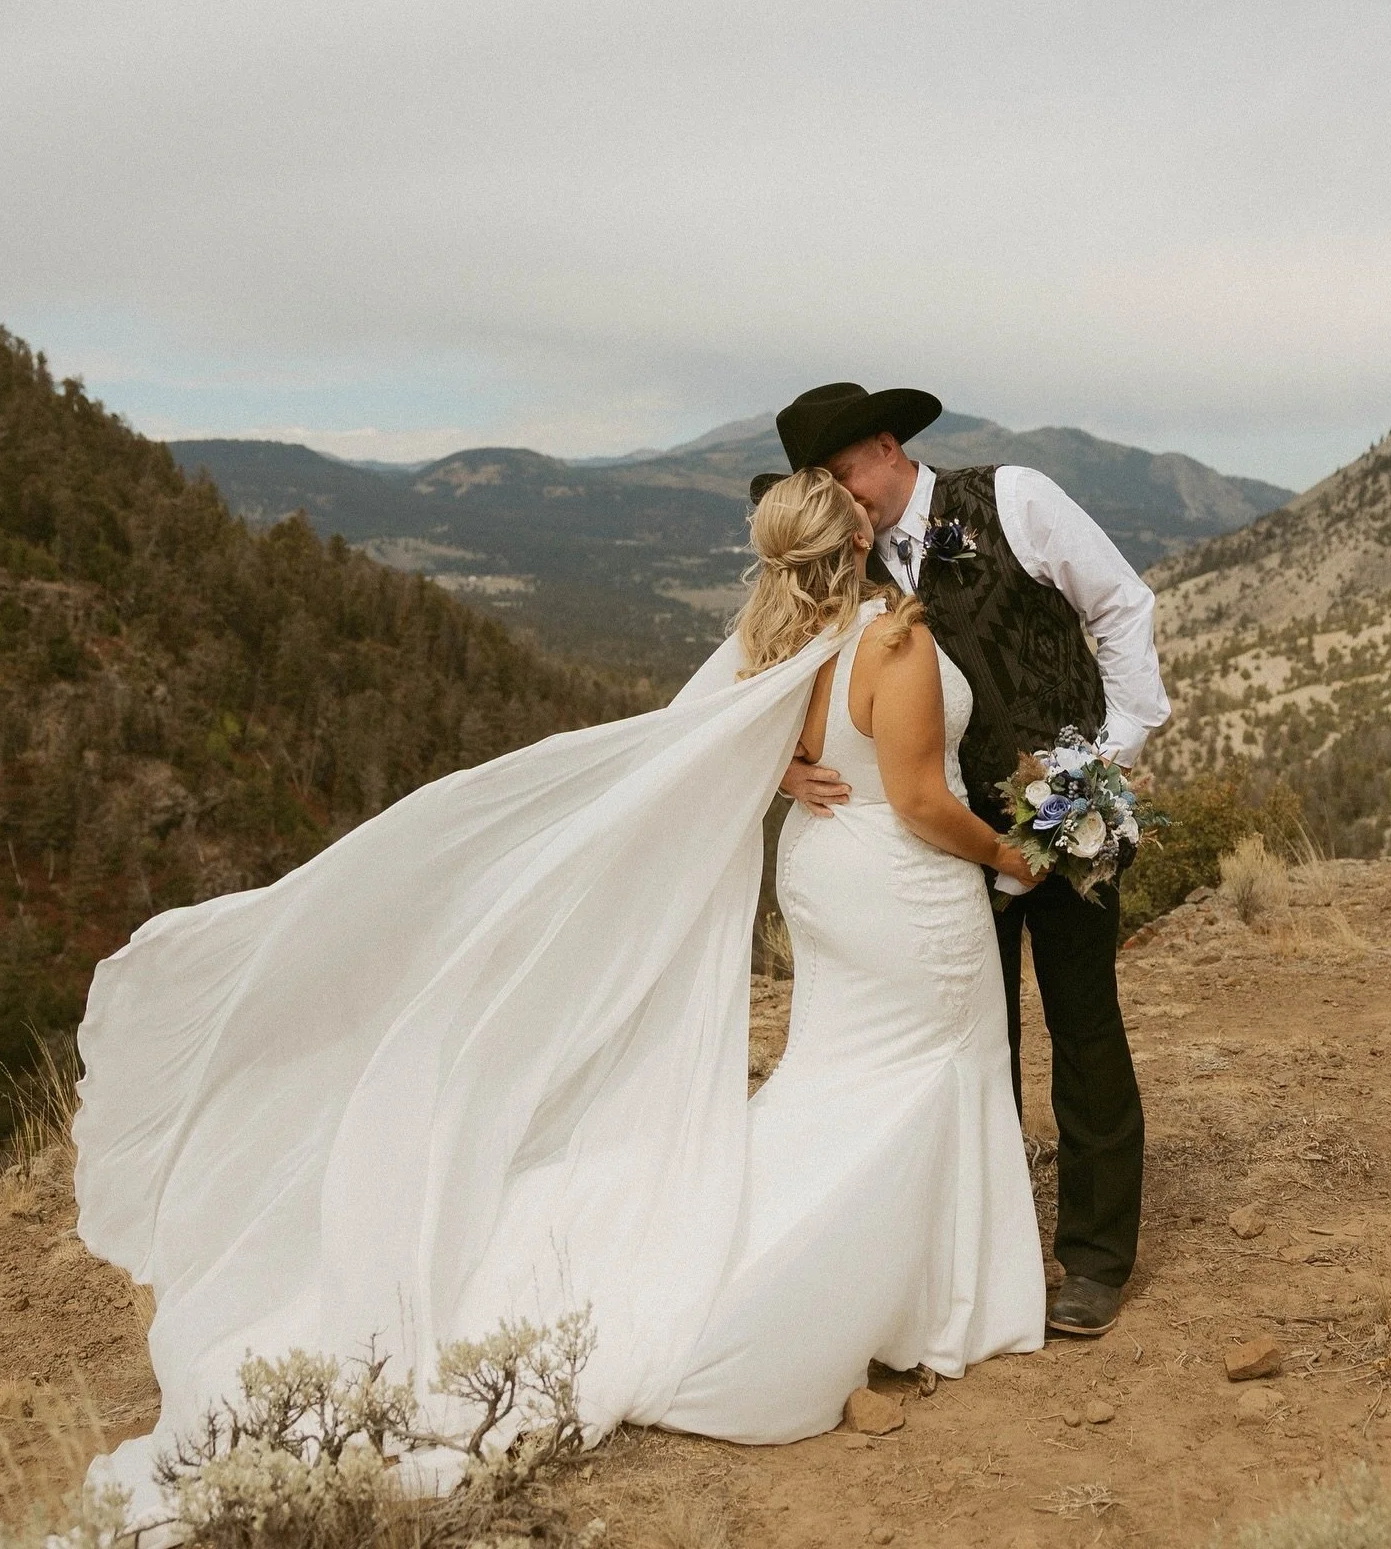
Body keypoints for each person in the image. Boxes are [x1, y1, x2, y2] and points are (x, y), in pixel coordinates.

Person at [74, 465, 1044, 1516]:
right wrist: (1015, 852)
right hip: (899, 891)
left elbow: (732, 744)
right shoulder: (890, 644)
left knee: (840, 1081)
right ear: (858, 542)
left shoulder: (774, 643)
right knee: (920, 1072)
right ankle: (926, 1304)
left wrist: (787, 775)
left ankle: (918, 1295)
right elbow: (915, 799)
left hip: (821, 882)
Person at [758, 383, 1170, 1336]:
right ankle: (985, 1252)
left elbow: (1119, 608)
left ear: (889, 445)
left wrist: (1100, 771)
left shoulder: (1014, 499)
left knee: (1085, 1029)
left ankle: (1097, 1260)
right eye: (819, 483)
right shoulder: (842, 563)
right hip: (934, 848)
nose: (839, 497)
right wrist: (782, 757)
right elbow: (784, 671)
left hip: (1068, 828)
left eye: (842, 472)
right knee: (976, 1045)